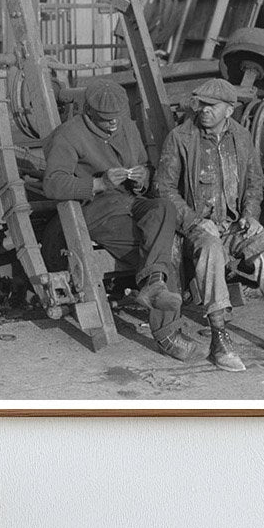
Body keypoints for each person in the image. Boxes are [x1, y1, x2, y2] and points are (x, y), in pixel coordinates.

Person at [155, 77, 264, 373]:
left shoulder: (241, 137)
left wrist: (250, 215)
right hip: (196, 229)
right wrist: (195, 220)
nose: (203, 110)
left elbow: (255, 183)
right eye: (200, 104)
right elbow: (164, 189)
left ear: (229, 110)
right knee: (211, 249)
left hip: (234, 227)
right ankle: (219, 338)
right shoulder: (180, 137)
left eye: (211, 106)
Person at [42, 80, 198, 361]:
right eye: (106, 120)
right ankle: (166, 332)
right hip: (98, 210)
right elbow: (53, 184)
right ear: (88, 112)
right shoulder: (67, 135)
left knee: (164, 208)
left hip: (129, 199)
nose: (113, 125)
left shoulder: (126, 125)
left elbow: (144, 167)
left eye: (117, 118)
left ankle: (152, 285)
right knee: (164, 248)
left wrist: (142, 178)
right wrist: (98, 183)